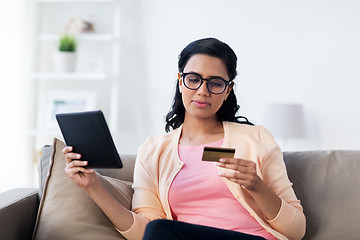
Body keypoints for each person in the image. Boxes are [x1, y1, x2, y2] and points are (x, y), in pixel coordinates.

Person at [63, 37, 306, 240]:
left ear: (228, 90)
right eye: (194, 79)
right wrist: (93, 187)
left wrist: (257, 186)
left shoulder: (256, 139)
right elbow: (146, 233)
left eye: (216, 83)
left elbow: (296, 231)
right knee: (157, 230)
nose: (203, 90)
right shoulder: (153, 151)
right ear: (180, 81)